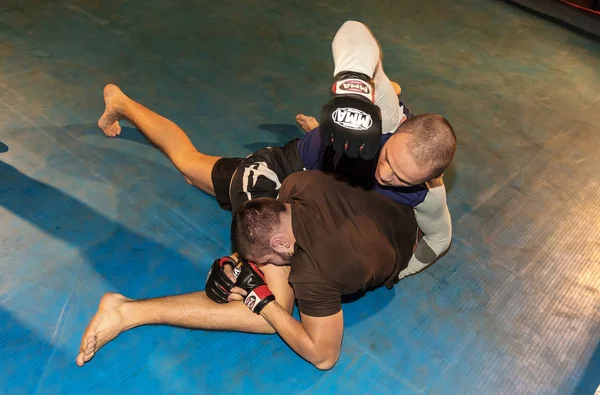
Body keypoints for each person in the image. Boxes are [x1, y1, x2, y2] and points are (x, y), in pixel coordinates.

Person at [96, 20, 456, 282]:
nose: (386, 174)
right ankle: (122, 102)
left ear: (428, 179)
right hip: (280, 170)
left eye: (401, 179)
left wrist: (401, 272)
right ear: (396, 131)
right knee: (191, 167)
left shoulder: (427, 195)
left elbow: (439, 238)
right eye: (389, 158)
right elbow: (354, 31)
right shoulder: (386, 117)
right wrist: (355, 87)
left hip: (316, 189)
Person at [77, 170, 419, 370]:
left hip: (397, 248)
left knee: (271, 315)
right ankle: (126, 311)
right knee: (266, 286)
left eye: (266, 260)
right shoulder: (299, 184)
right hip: (399, 214)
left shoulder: (315, 274)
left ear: (284, 245)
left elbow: (324, 357)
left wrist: (262, 301)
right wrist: (242, 263)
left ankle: (128, 311)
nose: (266, 267)